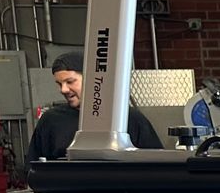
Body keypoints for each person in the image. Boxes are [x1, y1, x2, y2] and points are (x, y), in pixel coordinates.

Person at [26, 50, 166, 163]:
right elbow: (33, 169)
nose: (63, 90)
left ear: (91, 79)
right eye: (59, 83)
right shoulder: (51, 121)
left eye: (70, 81)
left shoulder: (128, 118)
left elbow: (157, 165)